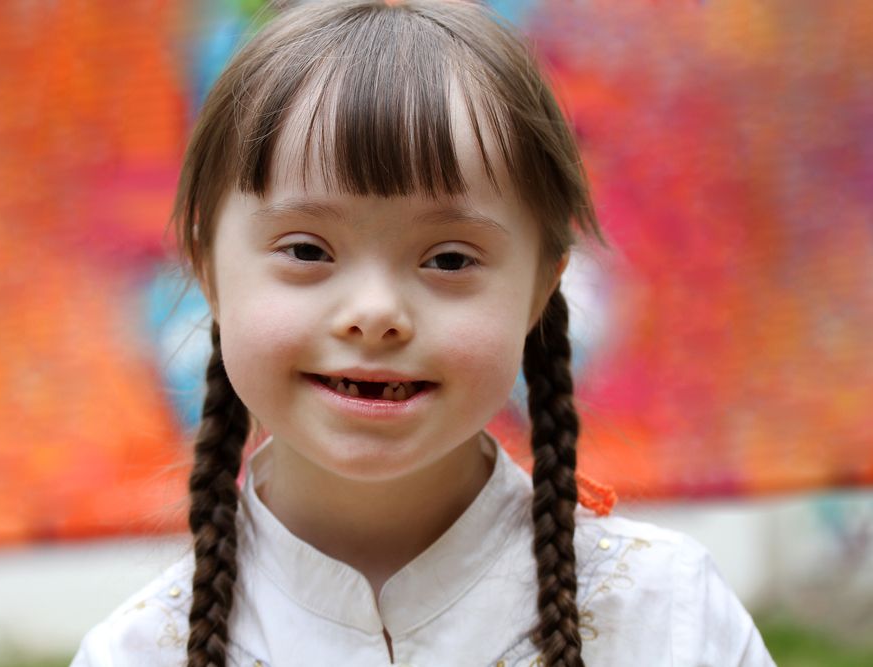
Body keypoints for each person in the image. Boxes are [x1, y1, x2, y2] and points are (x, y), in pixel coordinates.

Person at [72, 1, 775, 665]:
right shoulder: (138, 650)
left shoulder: (670, 616)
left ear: (540, 285)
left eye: (448, 259)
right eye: (308, 250)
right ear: (208, 270)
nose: (376, 312)